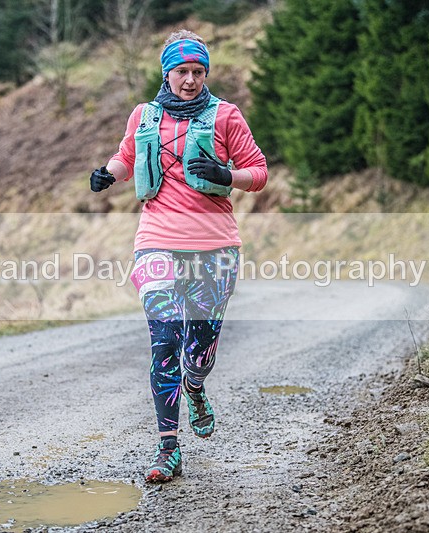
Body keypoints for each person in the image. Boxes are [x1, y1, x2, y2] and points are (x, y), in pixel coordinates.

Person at [90, 29, 267, 483]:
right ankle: (168, 447)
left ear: (206, 73)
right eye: (182, 71)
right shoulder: (144, 115)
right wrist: (107, 173)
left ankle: (195, 385)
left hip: (215, 246)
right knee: (165, 337)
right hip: (156, 240)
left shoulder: (226, 116)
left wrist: (227, 174)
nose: (190, 80)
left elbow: (259, 172)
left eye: (198, 72)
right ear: (166, 73)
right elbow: (127, 156)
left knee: (200, 350)